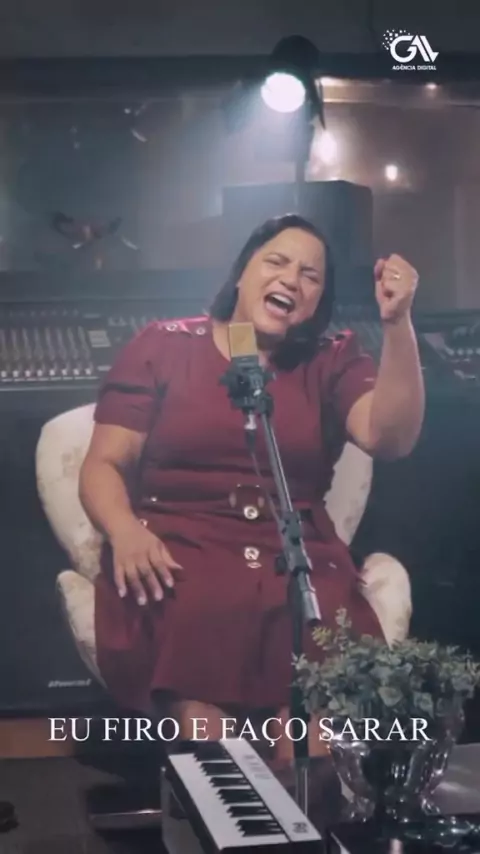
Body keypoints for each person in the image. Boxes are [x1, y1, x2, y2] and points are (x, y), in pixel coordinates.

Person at [79, 213, 424, 763]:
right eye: (277, 262)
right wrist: (124, 531)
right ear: (242, 273)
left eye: (310, 275)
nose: (292, 279)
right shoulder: (162, 345)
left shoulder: (331, 357)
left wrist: (398, 324)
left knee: (309, 736)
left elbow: (392, 438)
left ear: (319, 300)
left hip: (296, 556)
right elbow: (103, 464)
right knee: (208, 734)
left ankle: (307, 811)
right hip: (178, 549)